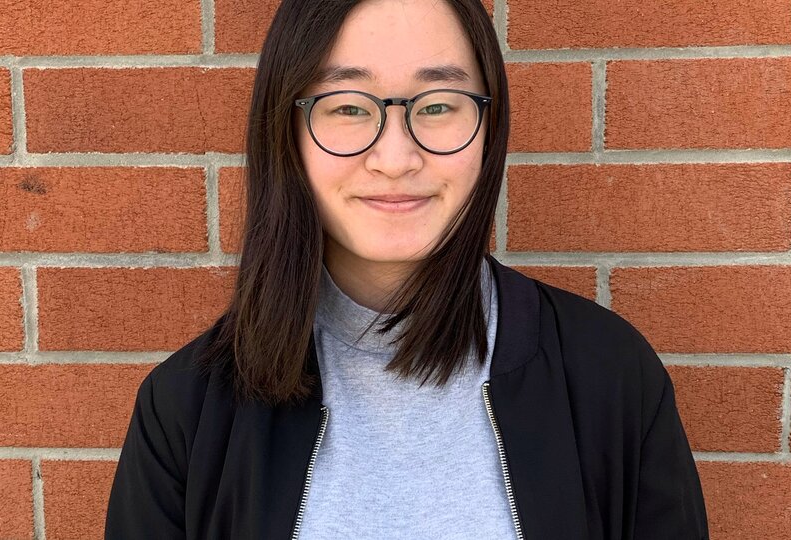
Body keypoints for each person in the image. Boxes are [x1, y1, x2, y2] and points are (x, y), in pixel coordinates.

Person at [104, 0, 708, 537]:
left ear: (489, 128)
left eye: (438, 104)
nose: (395, 158)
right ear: (286, 133)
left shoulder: (610, 377)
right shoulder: (188, 408)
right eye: (346, 108)